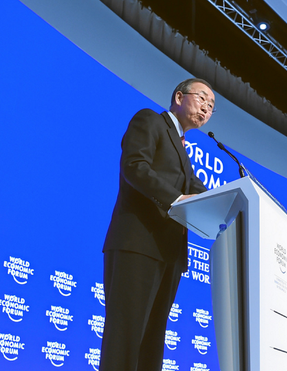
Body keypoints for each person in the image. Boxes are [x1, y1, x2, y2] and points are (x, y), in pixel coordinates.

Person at [100, 78, 216, 371]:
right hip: (138, 243)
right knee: (125, 338)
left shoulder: (183, 152)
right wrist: (177, 199)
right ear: (179, 96)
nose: (206, 108)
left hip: (169, 254)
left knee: (152, 341)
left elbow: (198, 189)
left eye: (211, 106)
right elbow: (134, 166)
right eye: (202, 98)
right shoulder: (150, 120)